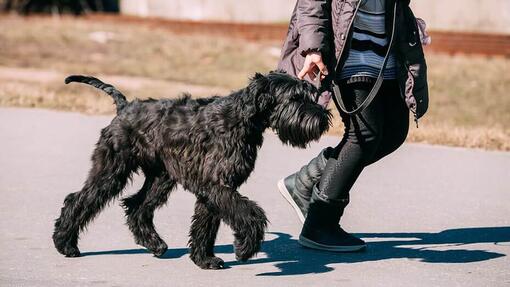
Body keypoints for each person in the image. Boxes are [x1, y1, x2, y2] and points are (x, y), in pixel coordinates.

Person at [277, 0, 429, 252]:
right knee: (363, 134)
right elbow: (310, 3)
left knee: (393, 132)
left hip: (386, 50)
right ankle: (320, 223)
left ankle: (305, 181)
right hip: (348, 48)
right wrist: (313, 48)